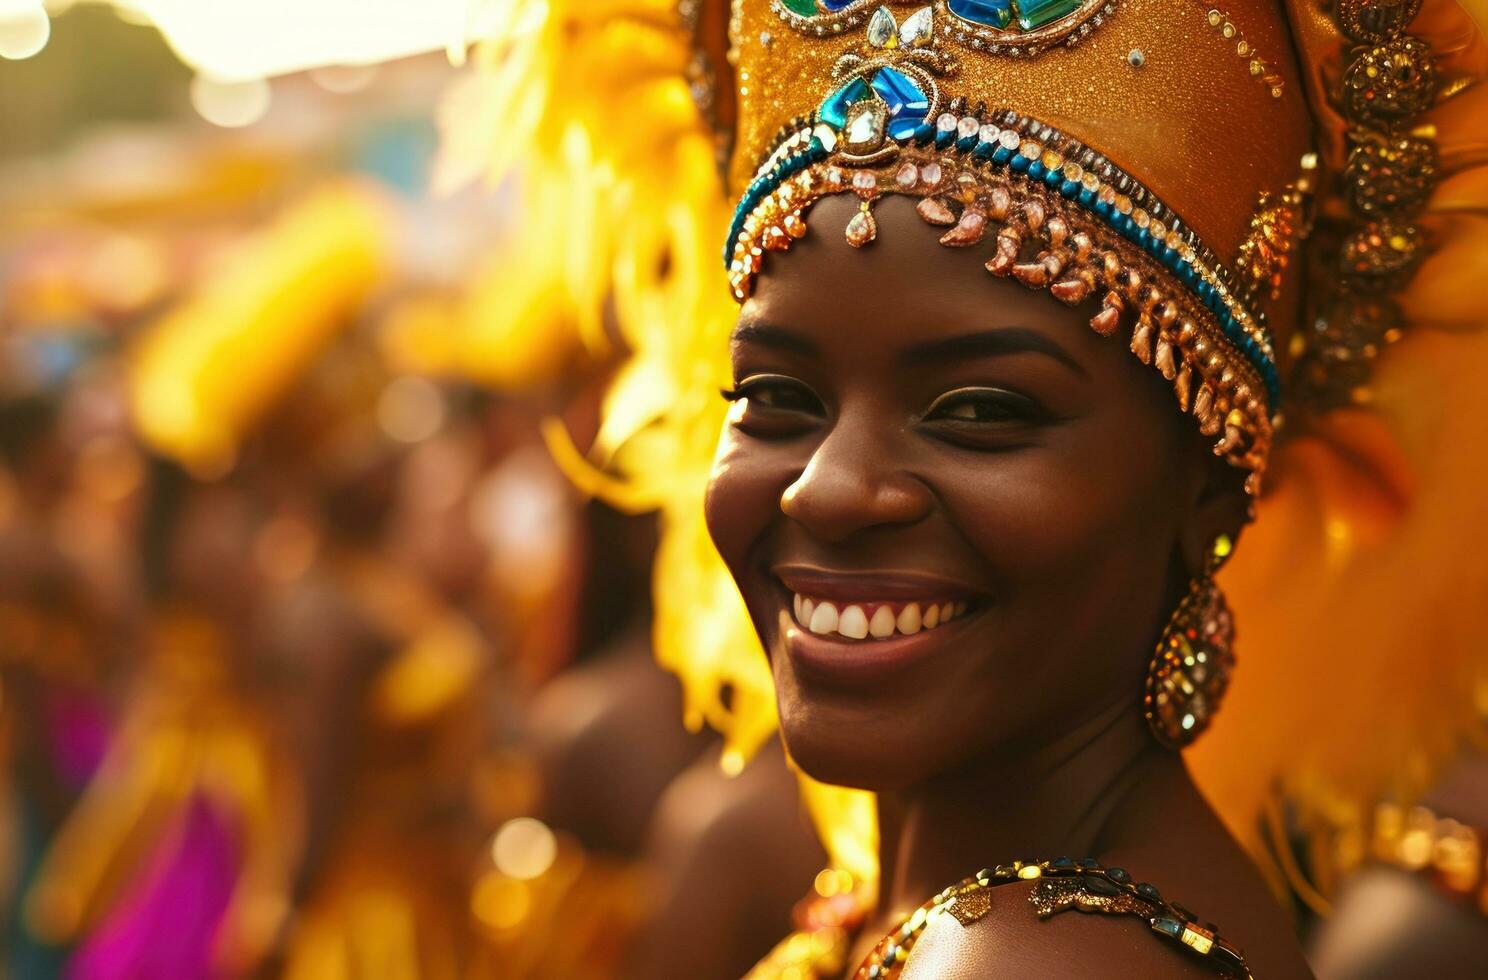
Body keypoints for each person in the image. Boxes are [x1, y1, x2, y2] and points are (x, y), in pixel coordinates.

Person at [457, 0, 1487, 976]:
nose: (828, 488)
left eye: (982, 409)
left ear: (1208, 491)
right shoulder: (993, 908)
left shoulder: (1026, 956)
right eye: (775, 395)